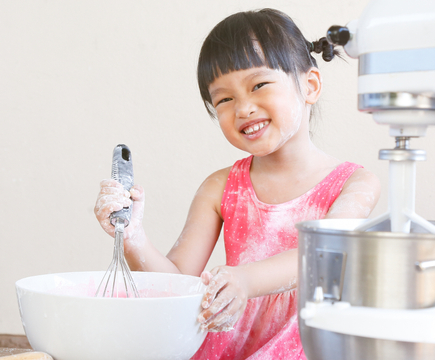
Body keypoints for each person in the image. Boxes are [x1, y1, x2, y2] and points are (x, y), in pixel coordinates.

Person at [94, 8, 380, 360]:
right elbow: (177, 282)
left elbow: (323, 256)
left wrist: (244, 280)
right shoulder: (219, 187)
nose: (243, 108)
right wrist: (133, 237)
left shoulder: (355, 183)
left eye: (258, 85)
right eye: (225, 99)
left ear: (310, 86)